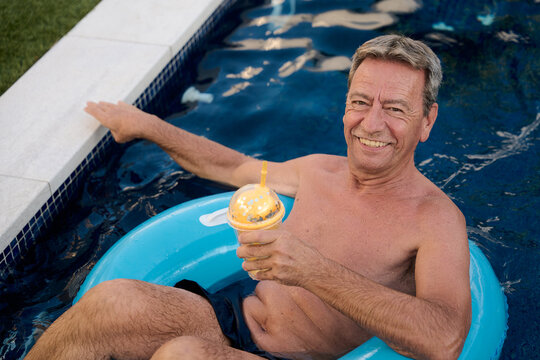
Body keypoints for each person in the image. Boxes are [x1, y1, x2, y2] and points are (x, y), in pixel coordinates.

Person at [25, 35, 471, 360]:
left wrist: (313, 271)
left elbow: (444, 338)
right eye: (360, 102)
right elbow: (231, 168)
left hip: (302, 357)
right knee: (112, 300)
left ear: (427, 121)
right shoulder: (318, 171)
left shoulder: (434, 219)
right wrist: (145, 126)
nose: (372, 124)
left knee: (183, 357)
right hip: (233, 317)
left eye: (394, 108)